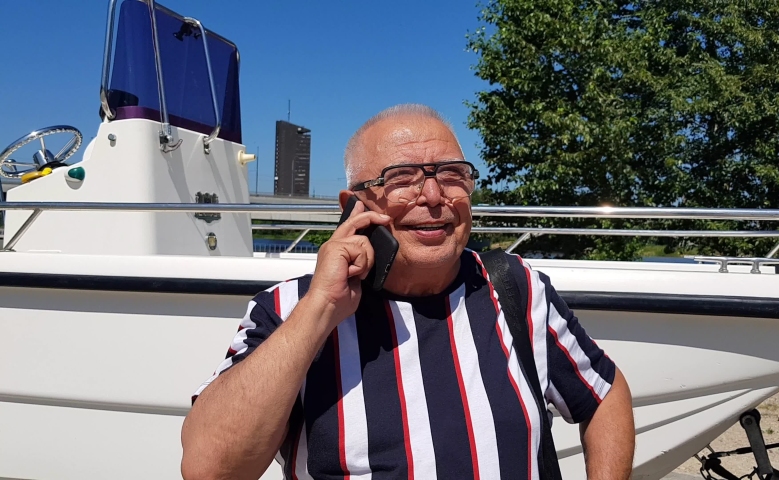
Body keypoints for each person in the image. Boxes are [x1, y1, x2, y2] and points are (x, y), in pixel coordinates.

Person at [181, 104, 635, 480]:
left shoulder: (516, 286)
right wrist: (317, 311)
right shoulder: (286, 311)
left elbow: (605, 394)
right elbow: (210, 469)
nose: (435, 196)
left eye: (452, 174)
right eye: (402, 178)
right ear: (354, 207)